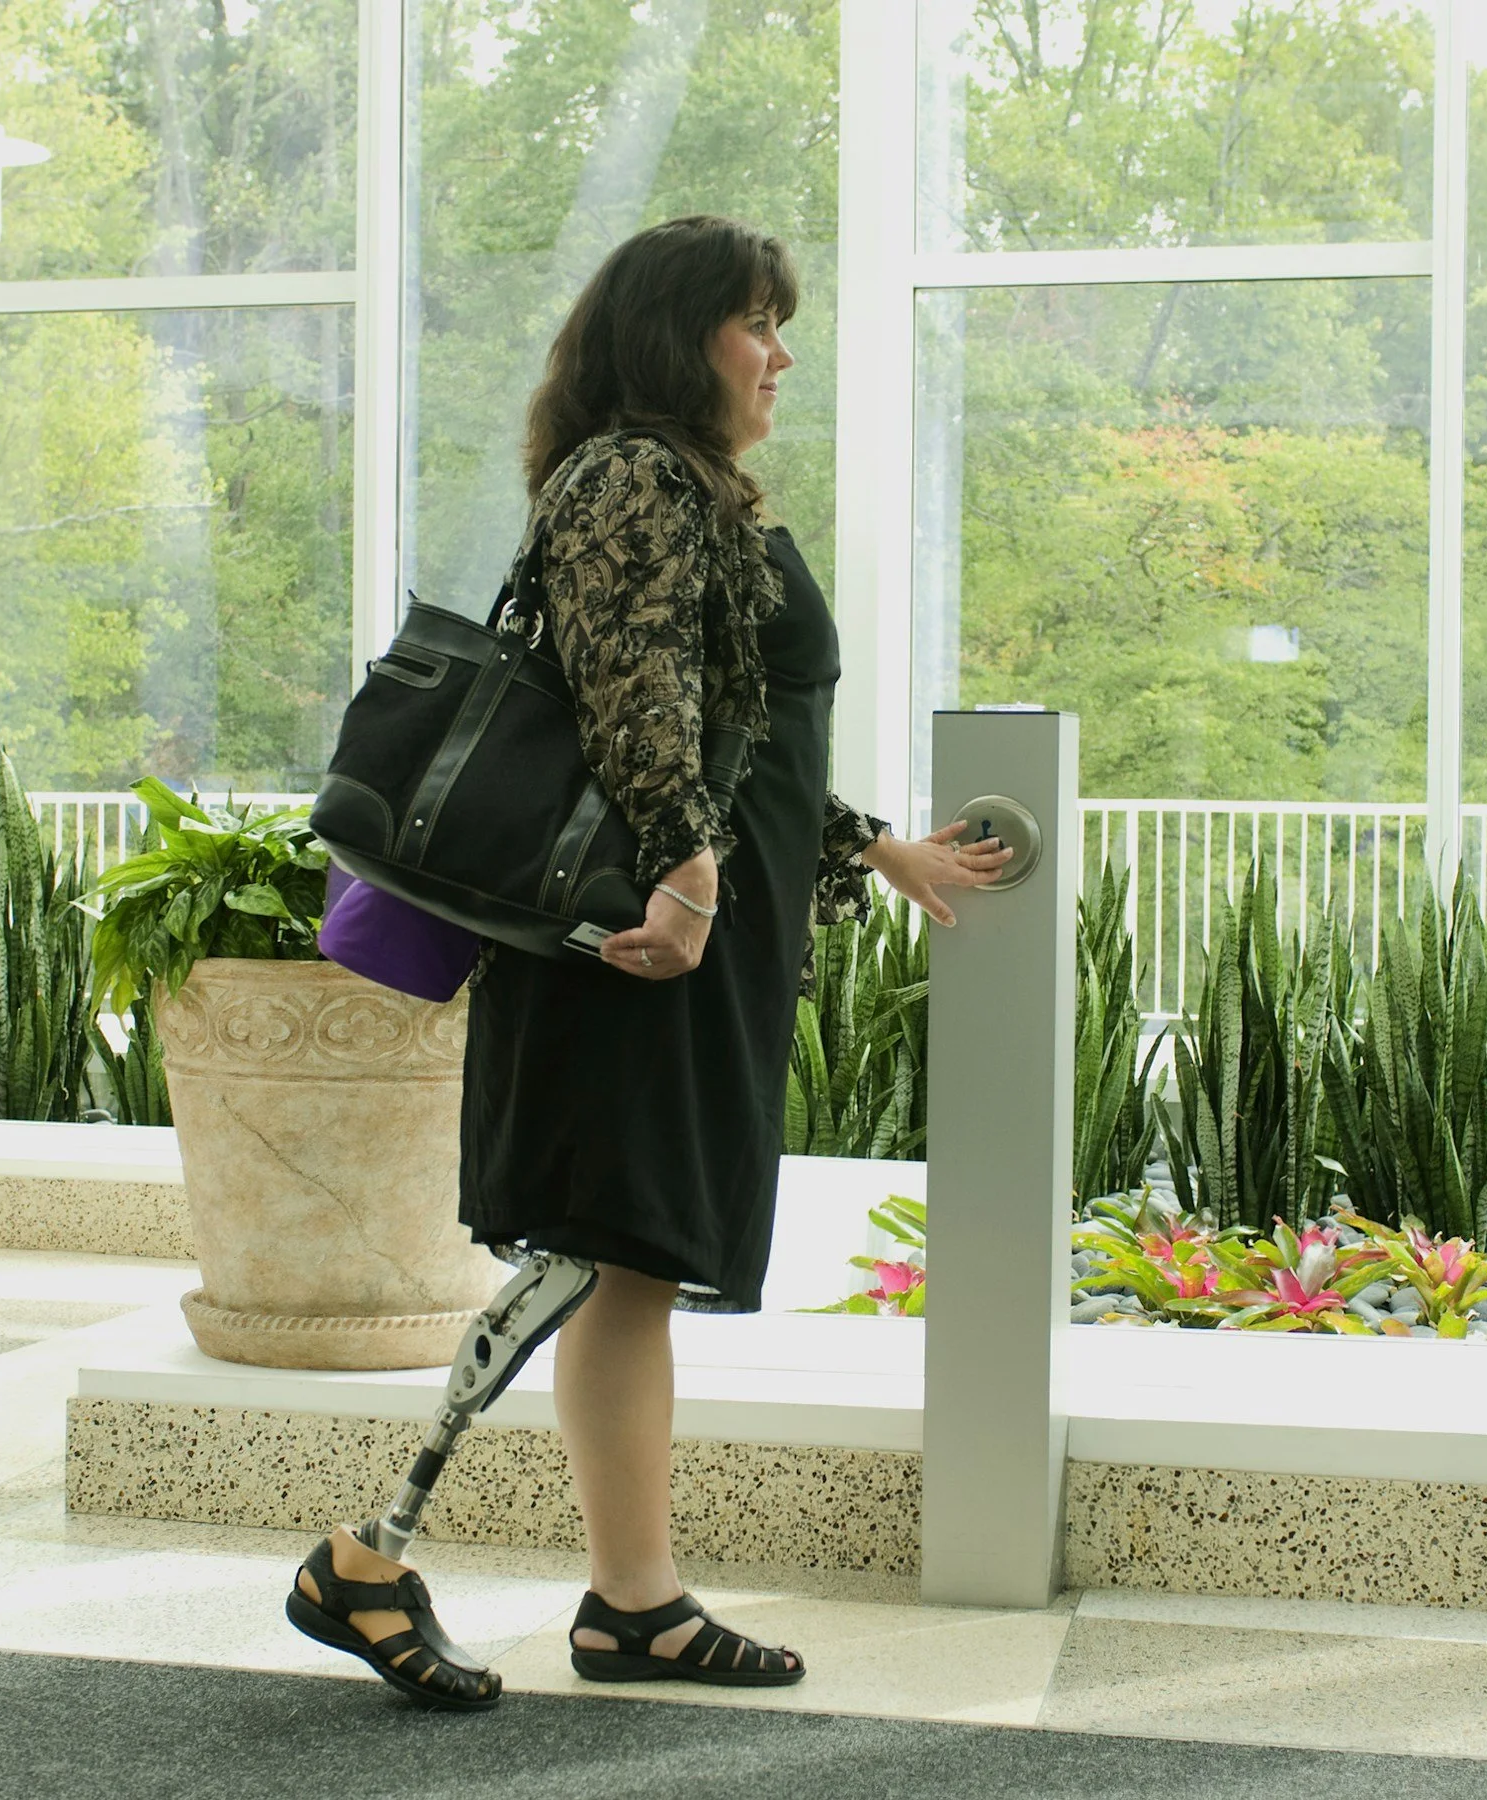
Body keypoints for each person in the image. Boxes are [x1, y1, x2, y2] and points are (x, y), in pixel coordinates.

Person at [288, 215, 1011, 1710]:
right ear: (681, 337)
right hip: (636, 944)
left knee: (624, 1269)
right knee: (593, 1250)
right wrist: (685, 885)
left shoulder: (689, 490)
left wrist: (873, 846)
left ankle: (631, 1603)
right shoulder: (631, 474)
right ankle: (365, 1559)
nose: (780, 354)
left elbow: (736, 735)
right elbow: (634, 703)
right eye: (757, 323)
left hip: (683, 936)